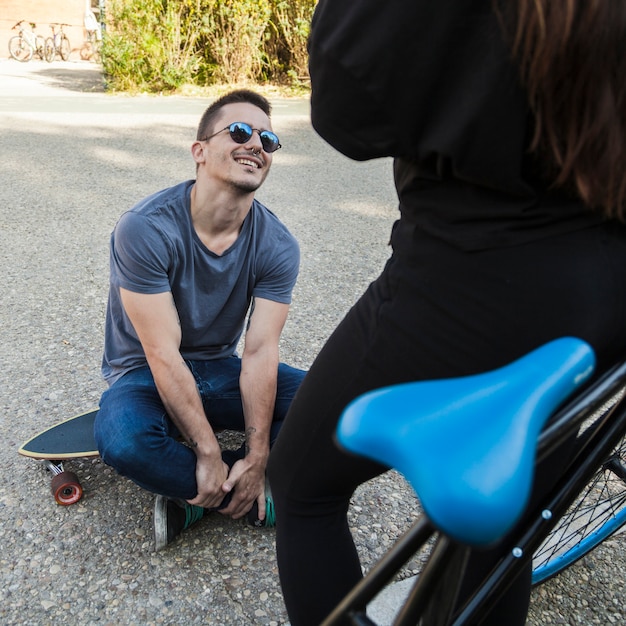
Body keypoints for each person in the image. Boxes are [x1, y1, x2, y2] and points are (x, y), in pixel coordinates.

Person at [267, 1, 626, 624]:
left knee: (301, 484)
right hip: (607, 295)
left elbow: (348, 106)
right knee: (499, 539)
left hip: (474, 284)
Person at [94, 89, 306, 551]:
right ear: (199, 151)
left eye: (268, 139)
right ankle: (251, 490)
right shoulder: (146, 228)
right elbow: (160, 351)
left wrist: (256, 453)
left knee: (332, 406)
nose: (256, 144)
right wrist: (207, 450)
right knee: (122, 440)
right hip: (144, 372)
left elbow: (260, 351)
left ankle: (196, 497)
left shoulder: (278, 246)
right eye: (239, 131)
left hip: (218, 367)